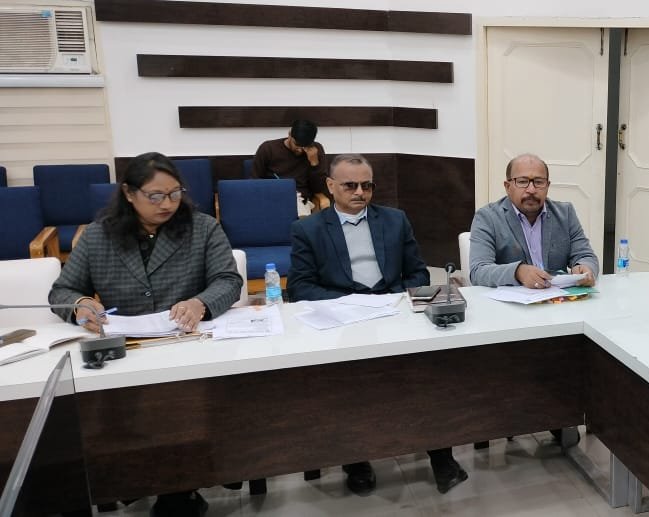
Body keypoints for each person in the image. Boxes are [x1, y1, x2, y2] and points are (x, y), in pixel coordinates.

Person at [48, 151, 243, 516]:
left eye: (175, 193)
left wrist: (200, 303)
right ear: (128, 193)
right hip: (126, 351)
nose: (167, 204)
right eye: (155, 196)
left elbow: (228, 280)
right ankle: (133, 482)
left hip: (187, 345)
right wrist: (81, 305)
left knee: (182, 407)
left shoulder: (202, 228)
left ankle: (179, 492)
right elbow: (63, 291)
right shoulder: (98, 236)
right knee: (106, 416)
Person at [287, 153, 468, 495]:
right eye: (350, 185)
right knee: (350, 389)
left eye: (367, 185)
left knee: (429, 376)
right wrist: (352, 303)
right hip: (342, 321)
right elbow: (299, 288)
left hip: (393, 312)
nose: (360, 192)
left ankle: (441, 456)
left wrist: (395, 299)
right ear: (330, 186)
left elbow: (417, 273)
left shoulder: (395, 220)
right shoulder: (308, 229)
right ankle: (356, 461)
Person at [468, 153, 598, 289]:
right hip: (513, 300)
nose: (531, 190)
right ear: (507, 187)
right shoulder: (487, 217)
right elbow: (478, 271)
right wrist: (518, 272)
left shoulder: (565, 214)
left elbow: (586, 255)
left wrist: (584, 267)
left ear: (547, 186)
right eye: (522, 182)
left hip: (558, 298)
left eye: (539, 182)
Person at [252, 119, 327, 214]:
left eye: (305, 146)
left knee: (299, 214)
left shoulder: (315, 150)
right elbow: (254, 181)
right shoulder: (268, 149)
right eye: (297, 145)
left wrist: (314, 163)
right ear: (290, 134)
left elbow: (319, 189)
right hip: (272, 197)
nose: (300, 150)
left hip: (301, 200)